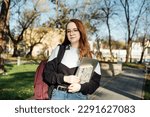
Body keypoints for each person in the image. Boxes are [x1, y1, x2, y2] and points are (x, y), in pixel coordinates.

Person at [43, 19, 101, 100]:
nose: (71, 33)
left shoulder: (90, 56)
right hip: (58, 96)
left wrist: (80, 87)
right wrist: (65, 78)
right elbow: (47, 75)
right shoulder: (59, 50)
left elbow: (95, 83)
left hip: (79, 97)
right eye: (68, 31)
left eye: (75, 30)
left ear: (81, 32)